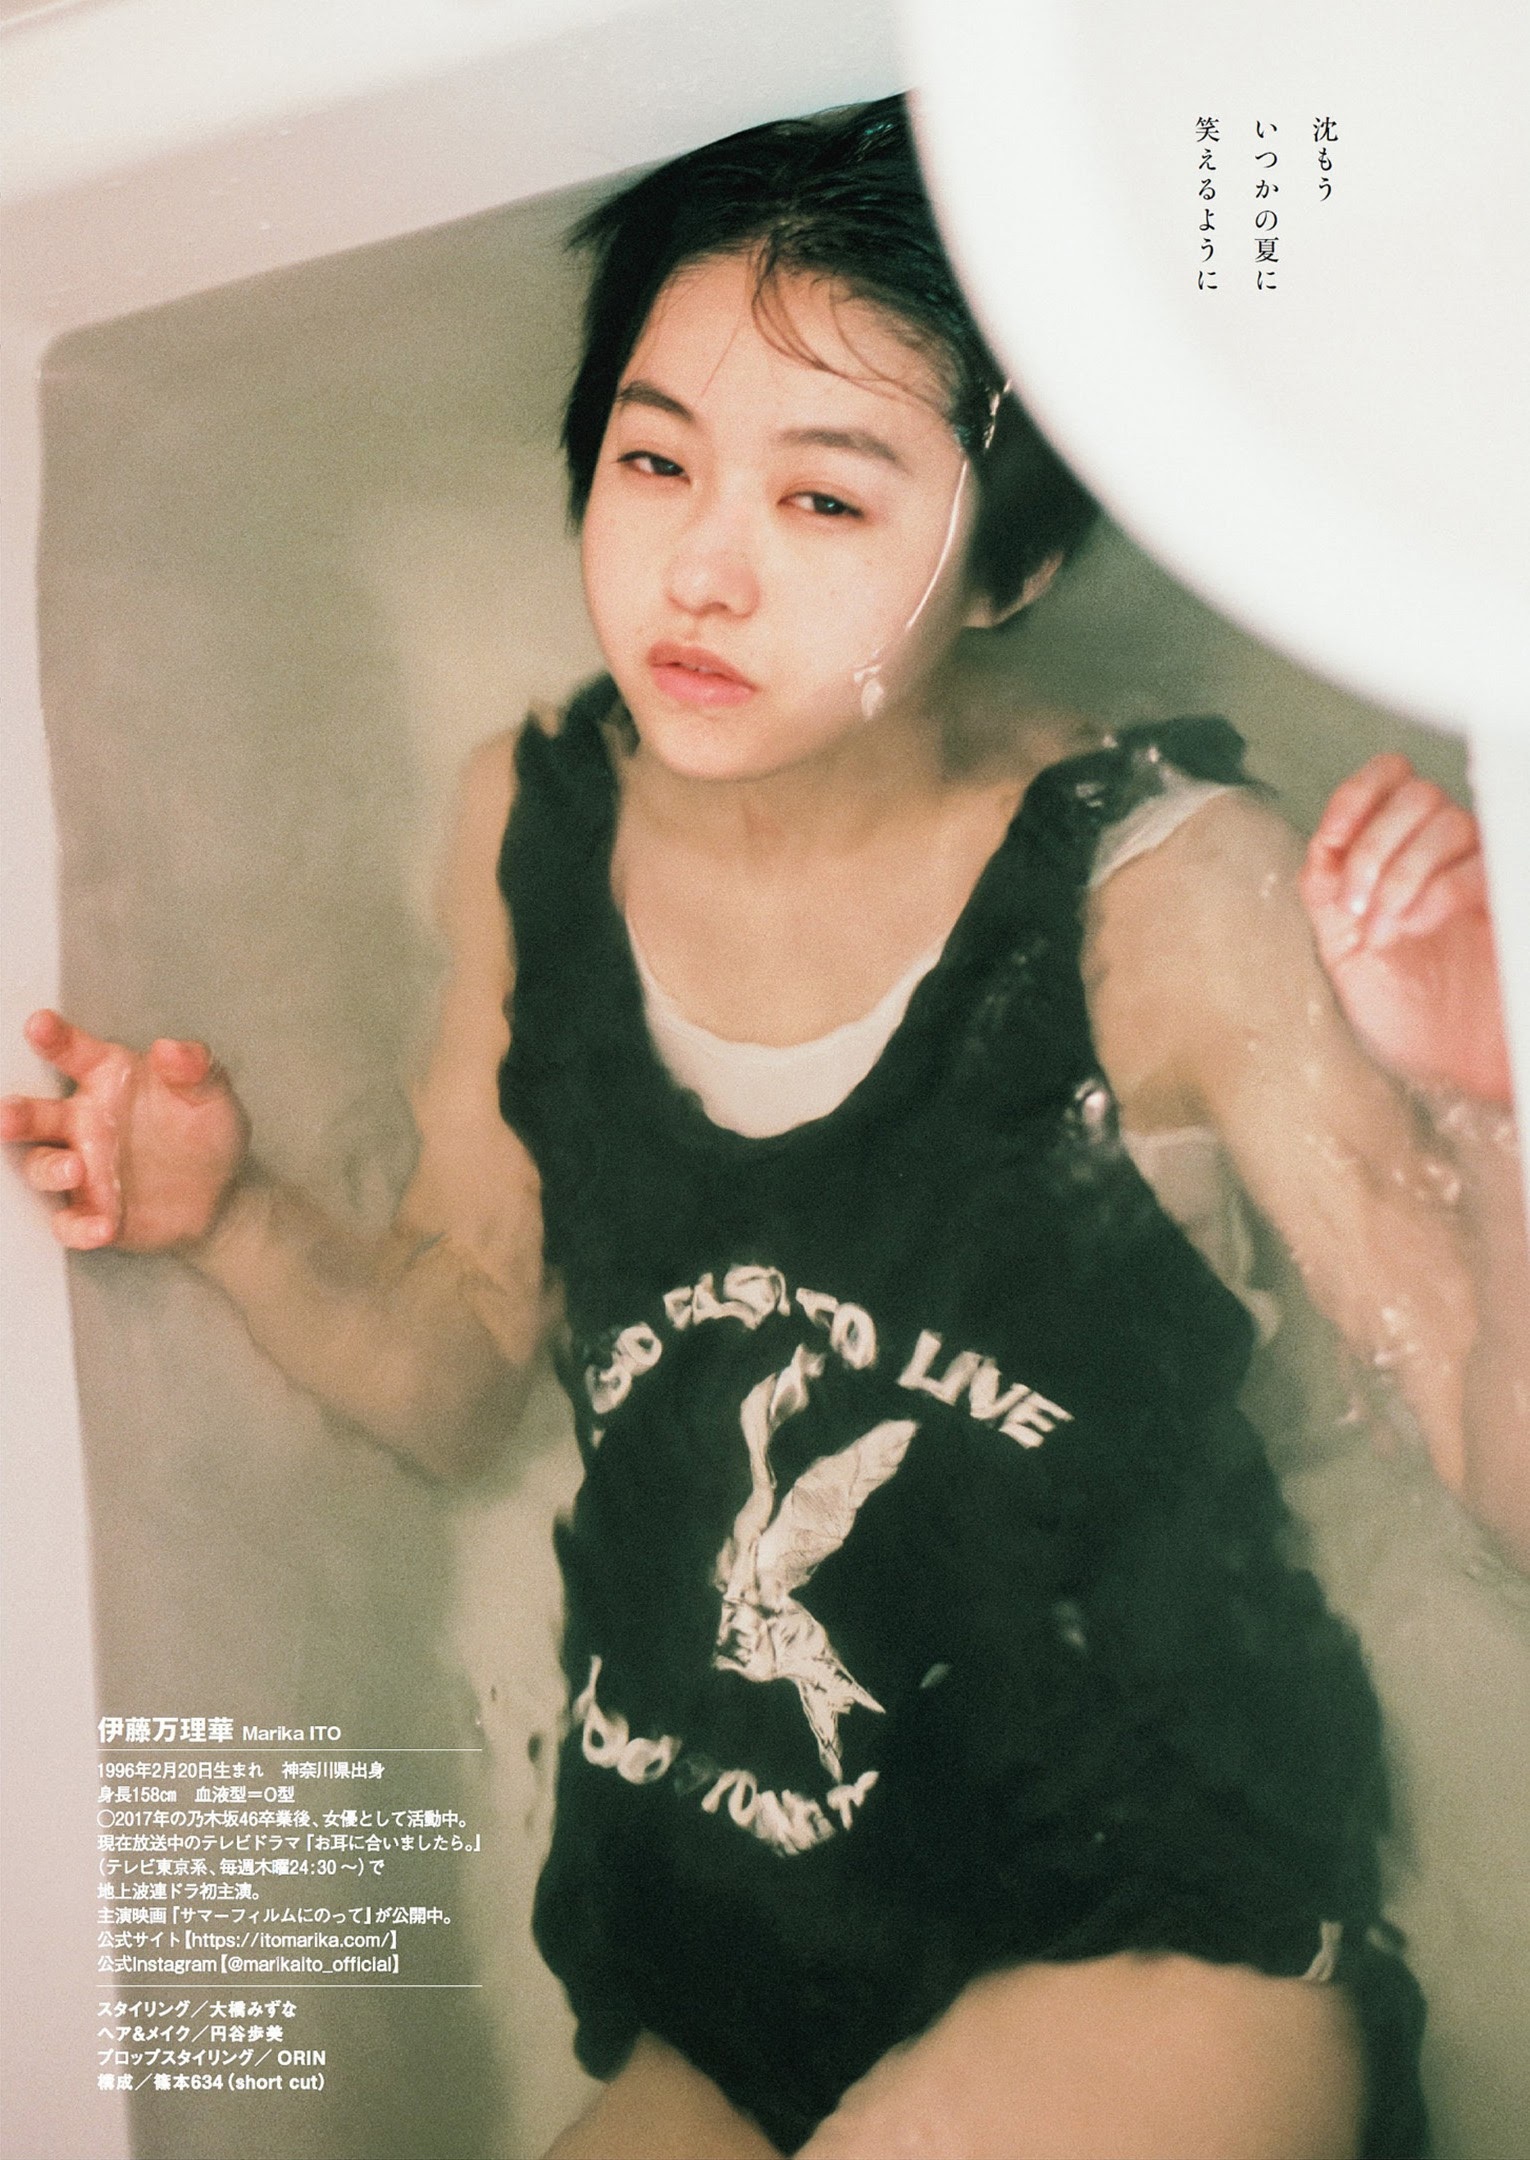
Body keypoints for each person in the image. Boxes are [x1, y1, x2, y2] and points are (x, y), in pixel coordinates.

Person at [4, 97, 1526, 2160]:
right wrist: (233, 1214)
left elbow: (1491, 1466)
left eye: (824, 500)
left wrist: (1486, 1102)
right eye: (653, 462)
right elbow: (464, 1364)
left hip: (1152, 1917)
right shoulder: (532, 820)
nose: (701, 571)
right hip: (726, 1943)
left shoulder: (1166, 896)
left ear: (1014, 563)